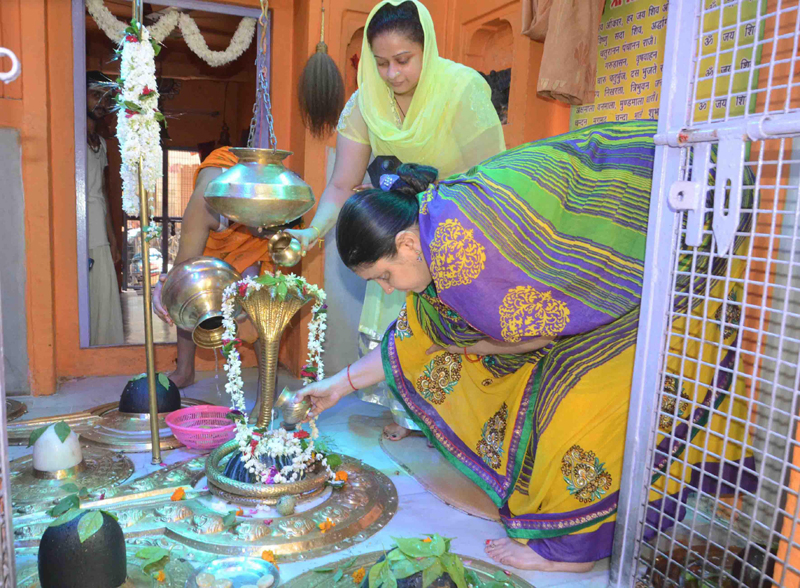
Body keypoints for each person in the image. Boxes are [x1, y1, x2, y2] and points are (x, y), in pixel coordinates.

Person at [297, 121, 757, 570]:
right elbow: (411, 343)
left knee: (573, 403)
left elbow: (539, 336)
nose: (389, 289)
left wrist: (482, 349)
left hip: (685, 234)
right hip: (669, 207)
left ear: (406, 244)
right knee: (509, 379)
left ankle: (572, 552)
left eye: (384, 276)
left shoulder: (466, 262)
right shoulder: (432, 222)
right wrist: (337, 386)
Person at [286, 0, 505, 441]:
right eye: (380, 62)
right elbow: (342, 185)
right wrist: (312, 231)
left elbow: (493, 179)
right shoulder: (365, 102)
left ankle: (453, 420)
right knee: (399, 311)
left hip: (459, 231)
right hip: (398, 240)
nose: (391, 74)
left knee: (455, 330)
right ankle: (409, 413)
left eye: (403, 60)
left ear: (427, 48)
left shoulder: (462, 90)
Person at [152, 147, 287, 387]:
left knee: (258, 294)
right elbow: (184, 270)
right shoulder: (205, 205)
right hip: (216, 232)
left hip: (261, 219)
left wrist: (267, 232)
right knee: (194, 289)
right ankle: (184, 370)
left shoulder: (279, 196)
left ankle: (268, 380)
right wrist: (163, 290)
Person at [86, 72, 124, 346]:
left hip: (99, 225)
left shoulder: (103, 145)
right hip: (79, 227)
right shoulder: (69, 139)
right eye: (95, 94)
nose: (101, 102)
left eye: (105, 97)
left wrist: (113, 238)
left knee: (103, 292)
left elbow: (103, 194)